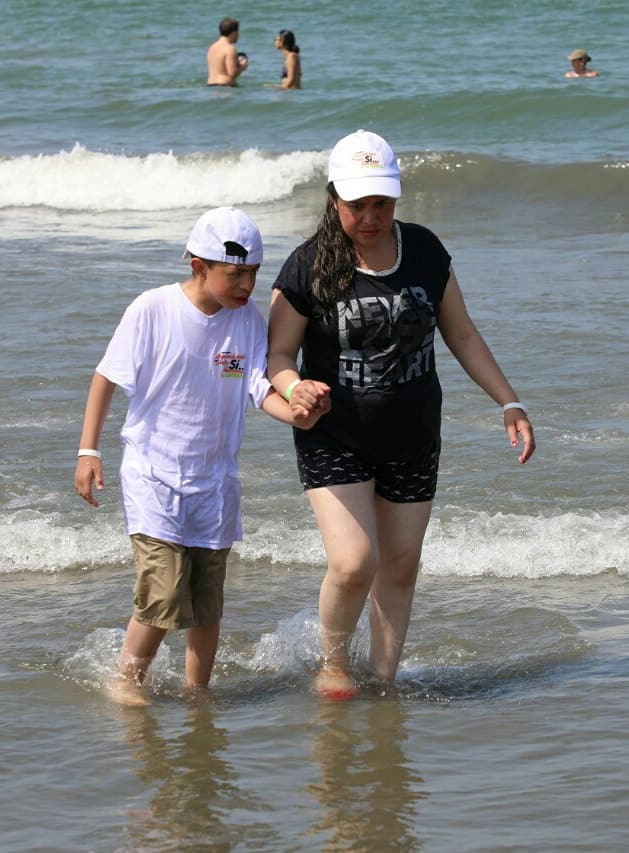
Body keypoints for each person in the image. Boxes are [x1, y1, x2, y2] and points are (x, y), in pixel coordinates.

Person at [267, 129, 535, 701]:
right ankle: (333, 666)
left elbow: (462, 334)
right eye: (357, 204)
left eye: (381, 203)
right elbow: (278, 355)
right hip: (334, 434)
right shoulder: (308, 265)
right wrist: (294, 388)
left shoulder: (425, 251)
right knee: (353, 562)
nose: (370, 217)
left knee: (401, 564)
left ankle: (383, 679)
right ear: (334, 199)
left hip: (413, 435)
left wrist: (508, 401)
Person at [74, 207, 326, 707]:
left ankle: (198, 694)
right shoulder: (153, 309)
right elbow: (107, 376)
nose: (246, 285)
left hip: (215, 482)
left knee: (207, 603)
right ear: (199, 267)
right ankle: (127, 679)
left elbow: (260, 388)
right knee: (165, 591)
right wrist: (88, 450)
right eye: (235, 274)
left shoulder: (248, 321)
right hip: (152, 474)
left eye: (253, 273)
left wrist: (296, 414)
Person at [207, 18, 249, 86]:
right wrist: (242, 67)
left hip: (211, 85)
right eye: (238, 32)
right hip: (225, 87)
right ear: (233, 33)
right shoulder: (230, 49)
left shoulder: (212, 47)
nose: (238, 35)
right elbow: (232, 73)